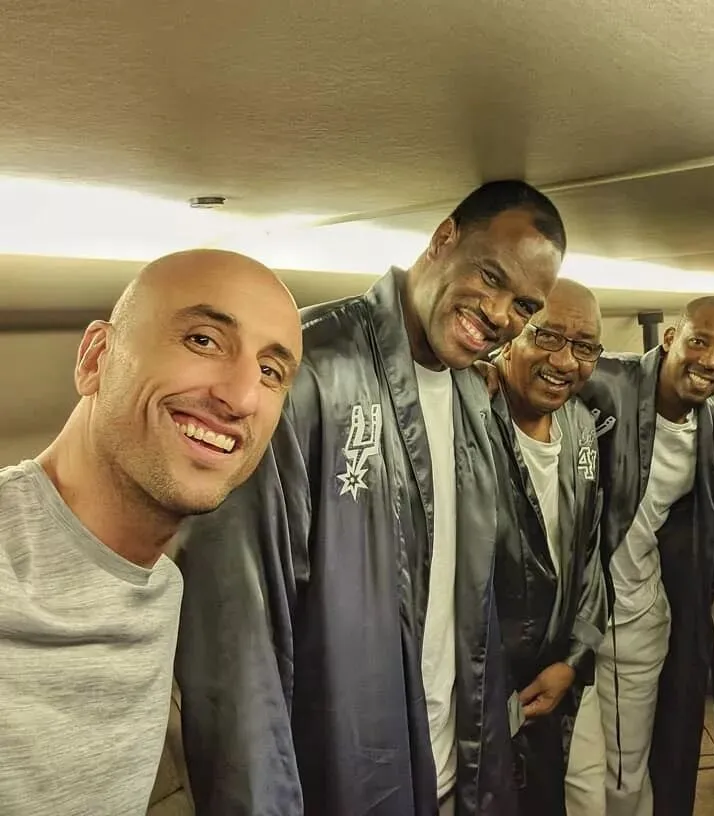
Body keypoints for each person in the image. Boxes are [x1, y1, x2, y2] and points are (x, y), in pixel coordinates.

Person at [174, 181, 566, 816]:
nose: (499, 313)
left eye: (523, 305)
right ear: (444, 238)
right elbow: (236, 634)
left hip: (457, 764)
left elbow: (475, 601)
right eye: (490, 277)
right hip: (344, 774)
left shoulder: (472, 394)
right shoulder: (309, 369)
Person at [0, 249, 302, 816]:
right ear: (96, 358)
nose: (240, 398)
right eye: (203, 341)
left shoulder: (163, 585)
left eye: (270, 372)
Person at [576, 296, 714, 816]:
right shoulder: (602, 381)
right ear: (671, 338)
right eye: (699, 341)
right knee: (573, 770)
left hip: (635, 614)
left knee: (625, 769)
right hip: (567, 613)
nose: (710, 361)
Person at [487, 279, 608, 816]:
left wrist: (572, 660)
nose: (564, 361)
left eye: (584, 347)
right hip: (479, 681)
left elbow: (588, 556)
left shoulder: (580, 425)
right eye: (548, 336)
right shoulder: (469, 413)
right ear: (512, 333)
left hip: (554, 673)